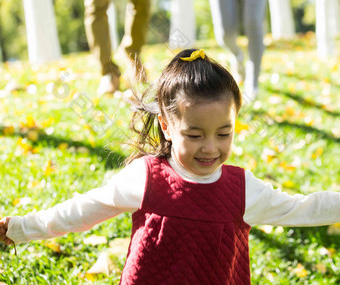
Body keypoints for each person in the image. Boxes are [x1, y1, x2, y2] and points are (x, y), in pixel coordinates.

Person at [1, 49, 339, 284]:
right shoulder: (146, 179)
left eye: (224, 133)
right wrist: (19, 229)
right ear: (166, 126)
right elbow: (83, 210)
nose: (211, 147)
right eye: (194, 134)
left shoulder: (243, 190)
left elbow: (303, 208)